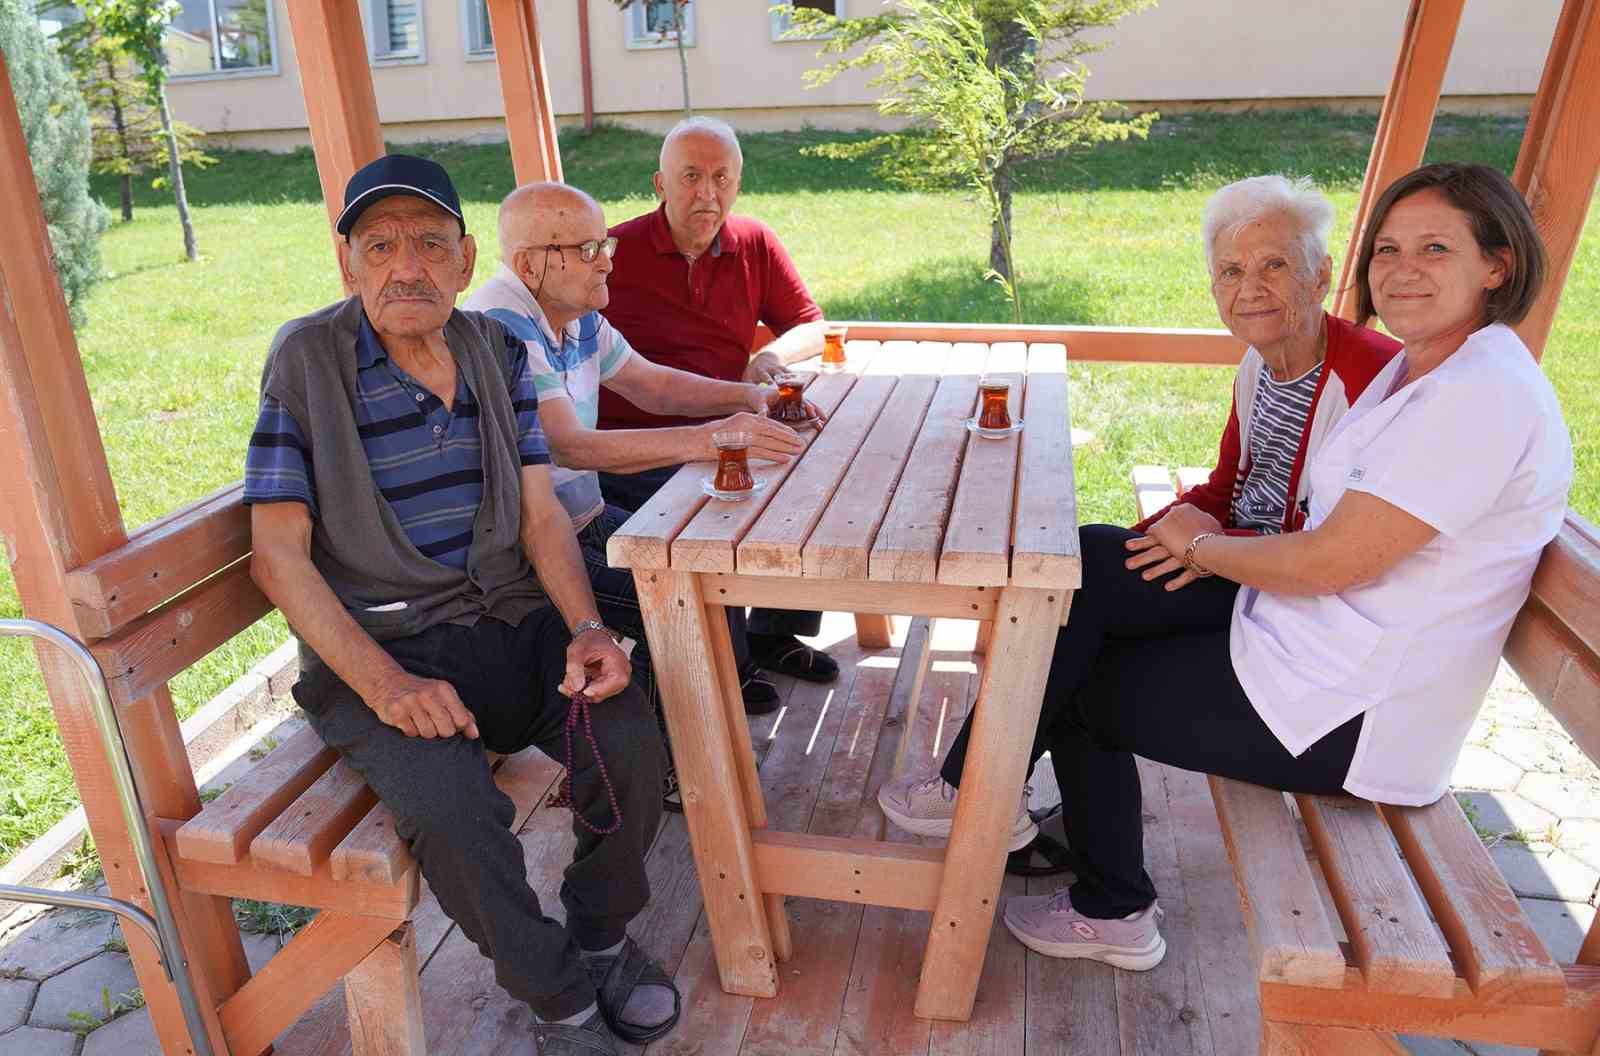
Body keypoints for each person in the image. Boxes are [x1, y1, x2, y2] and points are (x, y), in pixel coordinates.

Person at [965, 162, 1571, 972]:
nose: (1401, 269)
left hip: (1357, 717)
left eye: (1435, 248)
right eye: (1387, 249)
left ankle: (1063, 869)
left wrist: (1200, 548)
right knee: (1086, 603)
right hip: (1310, 657)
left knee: (1077, 676)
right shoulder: (1431, 371)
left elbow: (1329, 560)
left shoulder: (1480, 395)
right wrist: (1193, 542)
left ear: (1497, 265)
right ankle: (1003, 815)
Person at [245, 155, 680, 1055]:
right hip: (386, 650)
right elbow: (277, 556)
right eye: (382, 246)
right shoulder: (306, 358)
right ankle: (557, 998)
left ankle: (598, 935)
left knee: (633, 735)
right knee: (455, 814)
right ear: (350, 264)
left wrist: (589, 628)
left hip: (510, 623)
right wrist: (382, 682)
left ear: (465, 255)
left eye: (431, 245)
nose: (408, 266)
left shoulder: (496, 348)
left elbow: (539, 516)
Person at [880, 175, 1401, 858]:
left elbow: (1328, 546)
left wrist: (1198, 544)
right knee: (1086, 580)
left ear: (1321, 274)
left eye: (1275, 264)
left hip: (1284, 596)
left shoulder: (1369, 380)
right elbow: (1225, 486)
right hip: (1237, 561)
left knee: (1084, 580)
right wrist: (1164, 532)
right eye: (1231, 270)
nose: (1251, 287)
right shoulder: (1259, 365)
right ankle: (1022, 820)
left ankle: (976, 790)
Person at [464, 183, 823, 813]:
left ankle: (688, 746)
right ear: (529, 264)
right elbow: (568, 445)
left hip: (580, 516)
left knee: (699, 572)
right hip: (527, 547)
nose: (609, 257)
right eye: (587, 247)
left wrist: (747, 397)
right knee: (675, 602)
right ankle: (660, 773)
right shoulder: (503, 325)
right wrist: (708, 441)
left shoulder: (572, 314)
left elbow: (651, 386)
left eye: (603, 241)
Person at [598, 116, 840, 687]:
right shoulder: (613, 251)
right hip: (639, 446)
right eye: (690, 177)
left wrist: (768, 358)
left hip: (731, 426)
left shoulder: (753, 240)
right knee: (710, 518)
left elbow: (810, 324)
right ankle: (727, 664)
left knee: (807, 476)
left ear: (737, 182)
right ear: (660, 184)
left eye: (721, 177)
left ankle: (773, 631)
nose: (707, 193)